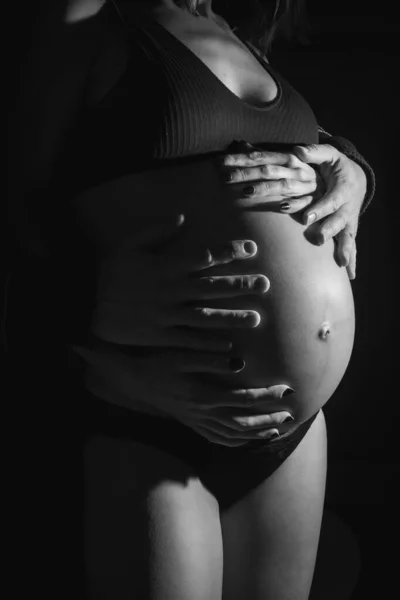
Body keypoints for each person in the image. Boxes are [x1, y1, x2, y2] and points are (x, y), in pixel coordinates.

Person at [8, 1, 375, 599]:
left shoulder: (238, 32)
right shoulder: (89, 16)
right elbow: (17, 219)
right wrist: (85, 310)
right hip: (154, 411)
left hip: (289, 431)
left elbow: (261, 152)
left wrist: (355, 174)